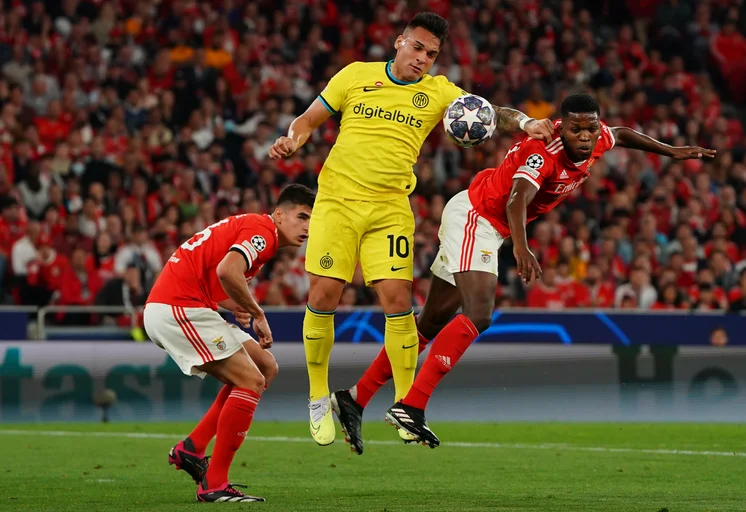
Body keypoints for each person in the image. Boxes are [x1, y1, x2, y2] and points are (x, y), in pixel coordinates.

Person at [331, 93, 716, 451]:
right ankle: (412, 406)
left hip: (486, 223)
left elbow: (623, 134)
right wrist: (521, 246)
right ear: (559, 127)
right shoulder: (543, 152)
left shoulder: (598, 139)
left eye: (590, 128)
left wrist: (670, 152)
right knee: (478, 314)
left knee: (429, 324)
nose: (585, 136)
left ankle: (354, 397)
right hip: (477, 218)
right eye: (575, 129)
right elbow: (517, 199)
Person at [268, 12, 555, 450]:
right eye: (418, 48)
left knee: (399, 303)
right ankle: (316, 398)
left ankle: (405, 405)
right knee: (324, 295)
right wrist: (292, 140)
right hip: (337, 202)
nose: (423, 59)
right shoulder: (355, 76)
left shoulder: (438, 92)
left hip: (390, 208)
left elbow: (488, 110)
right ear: (400, 41)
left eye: (432, 54)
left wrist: (526, 124)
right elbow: (307, 120)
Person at [143, 184, 315, 503]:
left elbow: (215, 276)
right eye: (302, 216)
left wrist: (231, 303)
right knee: (250, 380)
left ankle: (192, 448)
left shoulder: (253, 227)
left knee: (265, 366)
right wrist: (255, 311)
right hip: (177, 307)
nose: (307, 227)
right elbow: (227, 270)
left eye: (311, 221)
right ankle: (214, 483)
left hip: (189, 304)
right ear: (279, 214)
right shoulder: (263, 231)